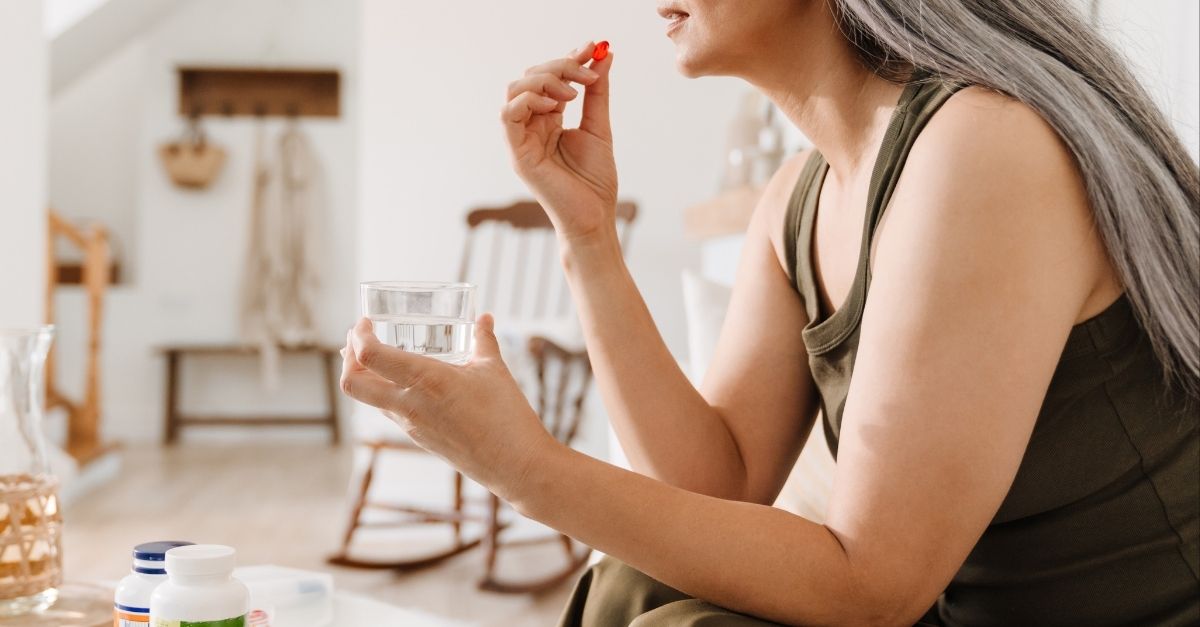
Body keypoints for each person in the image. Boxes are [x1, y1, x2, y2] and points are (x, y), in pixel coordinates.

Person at [339, 0, 1200, 624]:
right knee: (631, 584)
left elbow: (874, 585)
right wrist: (587, 232)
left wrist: (522, 467)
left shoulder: (982, 148)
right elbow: (713, 485)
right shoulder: (801, 193)